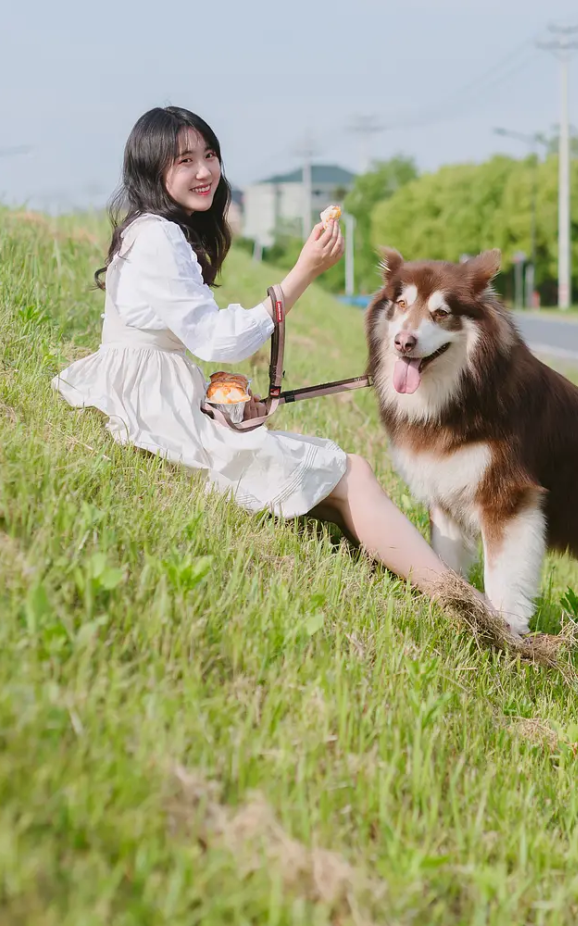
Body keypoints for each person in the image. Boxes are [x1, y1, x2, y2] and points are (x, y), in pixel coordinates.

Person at [53, 105, 453, 594]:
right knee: (352, 471)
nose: (204, 171)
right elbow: (217, 340)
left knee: (337, 484)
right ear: (151, 168)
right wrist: (302, 272)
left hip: (156, 394)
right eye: (184, 160)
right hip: (156, 409)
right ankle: (463, 601)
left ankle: (445, 593)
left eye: (210, 155)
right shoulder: (158, 236)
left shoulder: (150, 230)